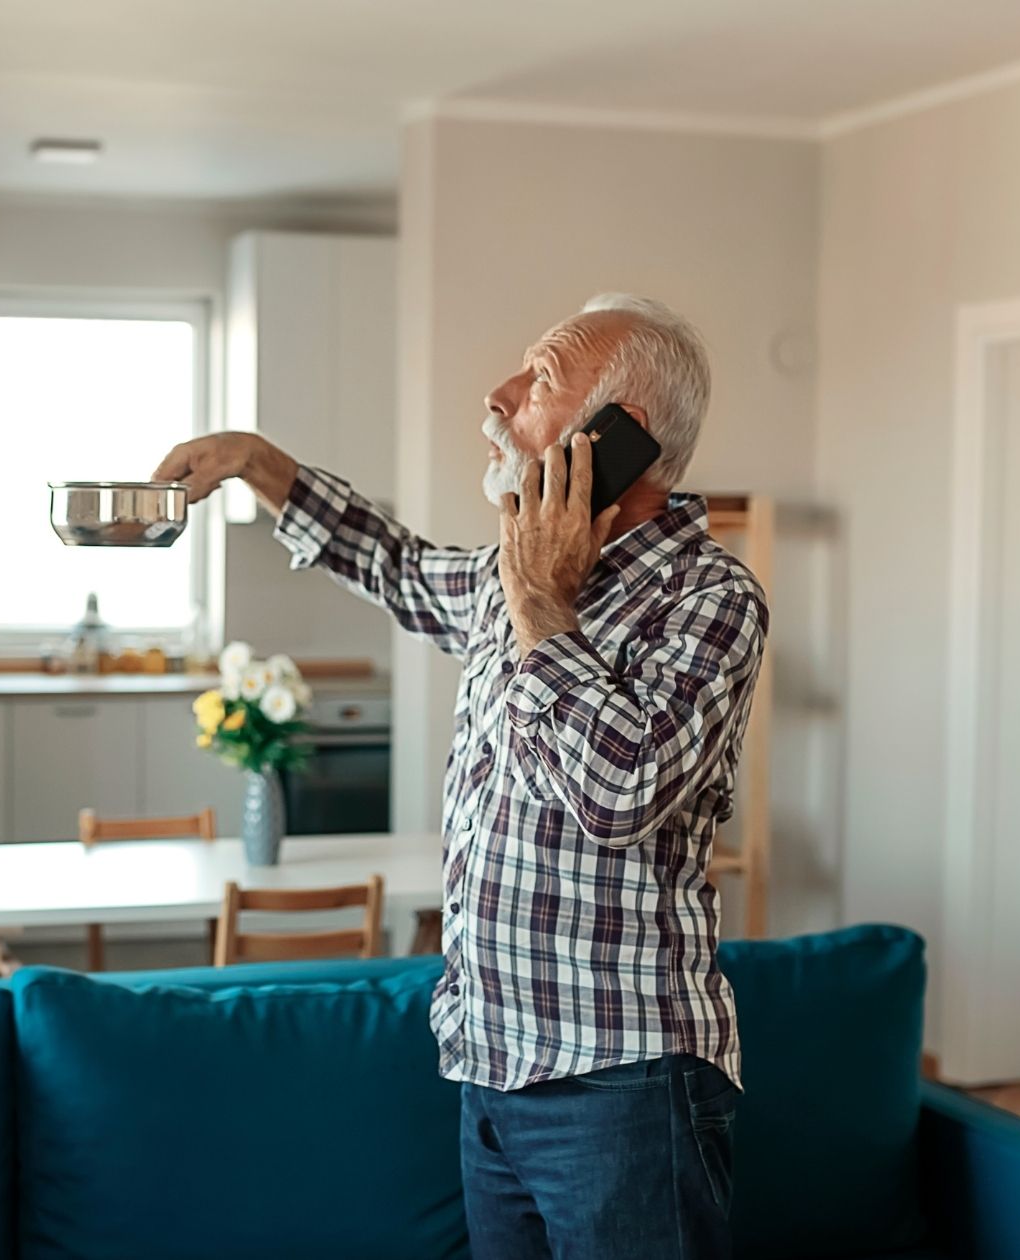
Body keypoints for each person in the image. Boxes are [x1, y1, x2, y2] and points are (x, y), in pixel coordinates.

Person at [153, 294, 766, 1260]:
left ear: (618, 437)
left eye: (539, 380)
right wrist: (256, 465)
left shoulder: (710, 599)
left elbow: (621, 794)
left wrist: (541, 604)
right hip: (491, 1065)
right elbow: (396, 565)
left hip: (624, 1081)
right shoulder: (503, 574)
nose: (499, 396)